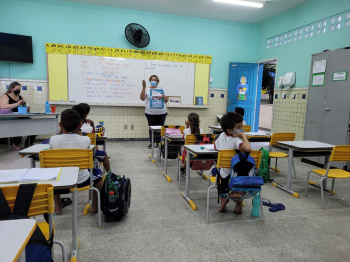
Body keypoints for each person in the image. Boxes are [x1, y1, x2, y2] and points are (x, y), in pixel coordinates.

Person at [49, 109, 103, 214]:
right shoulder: (86, 140)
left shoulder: (53, 140)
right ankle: (94, 207)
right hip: (81, 180)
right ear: (80, 125)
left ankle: (58, 207)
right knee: (99, 176)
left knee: (56, 171)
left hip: (59, 181)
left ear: (60, 124)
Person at [214, 112, 251, 214]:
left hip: (224, 172)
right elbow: (247, 148)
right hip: (237, 173)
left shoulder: (220, 136)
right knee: (239, 182)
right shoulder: (237, 140)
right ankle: (238, 204)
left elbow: (216, 147)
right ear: (230, 130)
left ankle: (223, 204)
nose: (241, 129)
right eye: (239, 127)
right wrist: (243, 135)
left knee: (223, 181)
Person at [71, 104, 111, 172]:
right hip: (85, 158)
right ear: (86, 114)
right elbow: (94, 136)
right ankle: (110, 175)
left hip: (66, 164)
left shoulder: (54, 139)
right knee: (100, 152)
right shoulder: (88, 129)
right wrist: (92, 124)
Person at [0, 81, 36, 150]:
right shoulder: (5, 96)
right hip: (8, 116)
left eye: (20, 89)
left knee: (33, 123)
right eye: (17, 89)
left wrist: (27, 108)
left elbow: (24, 106)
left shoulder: (20, 97)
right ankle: (15, 143)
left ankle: (28, 142)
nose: (18, 91)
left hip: (20, 115)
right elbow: (2, 106)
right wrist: (17, 104)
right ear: (12, 89)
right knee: (17, 124)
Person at [140, 75, 169, 149]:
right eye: (152, 79)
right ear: (150, 81)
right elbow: (142, 98)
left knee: (160, 128)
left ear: (157, 81)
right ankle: (152, 143)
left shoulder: (161, 89)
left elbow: (166, 100)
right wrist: (143, 87)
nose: (153, 81)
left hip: (162, 112)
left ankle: (159, 143)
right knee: (151, 128)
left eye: (155, 79)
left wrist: (164, 97)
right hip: (150, 113)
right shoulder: (146, 89)